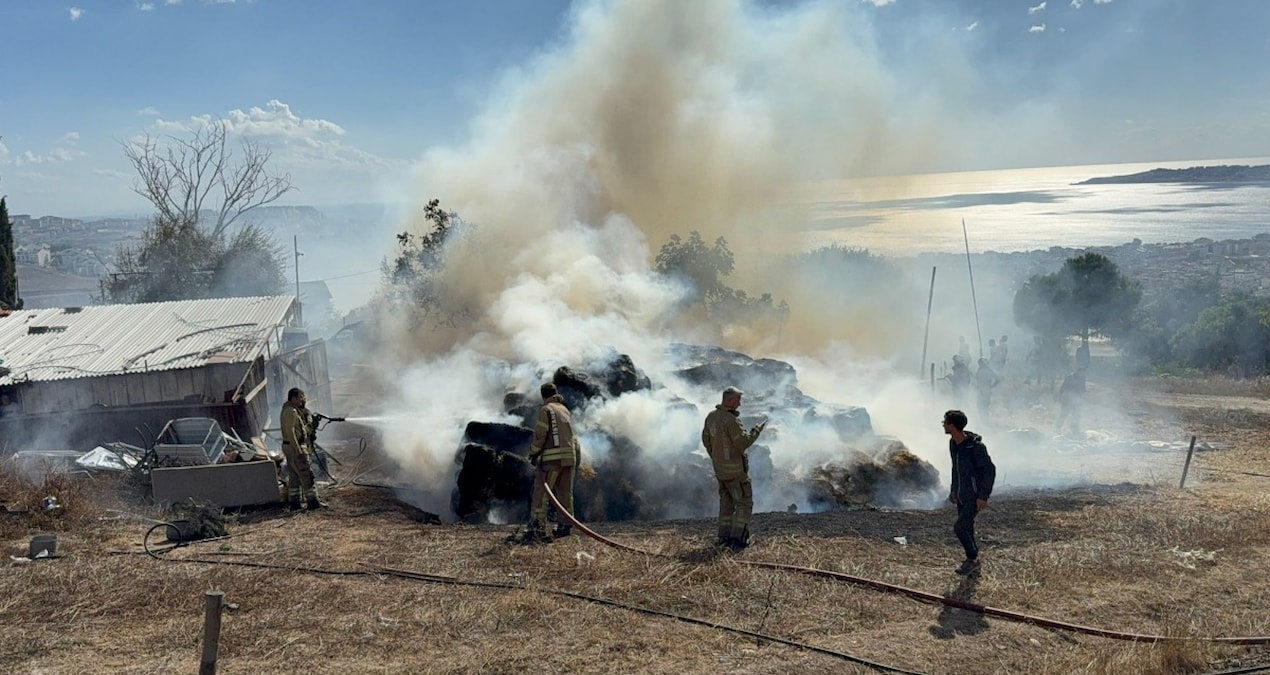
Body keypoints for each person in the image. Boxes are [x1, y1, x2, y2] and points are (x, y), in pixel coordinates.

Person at [702, 386, 765, 550]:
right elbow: (743, 443)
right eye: (738, 400)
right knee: (744, 504)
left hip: (721, 471)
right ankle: (738, 540)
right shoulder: (731, 420)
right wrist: (756, 431)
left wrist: (718, 459)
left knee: (726, 504)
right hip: (736, 473)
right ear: (729, 401)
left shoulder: (711, 417)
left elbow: (706, 441)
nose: (740, 403)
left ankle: (723, 537)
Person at [525, 382, 581, 543]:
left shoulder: (546, 410)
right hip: (569, 459)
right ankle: (565, 525)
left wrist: (533, 452)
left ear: (543, 395)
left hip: (552, 460)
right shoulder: (564, 410)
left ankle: (537, 528)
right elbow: (572, 436)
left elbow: (540, 435)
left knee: (541, 494)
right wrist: (576, 459)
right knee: (565, 494)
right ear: (556, 393)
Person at [943, 409, 995, 575]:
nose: (943, 425)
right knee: (968, 527)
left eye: (945, 422)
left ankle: (972, 558)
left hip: (974, 496)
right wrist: (954, 489)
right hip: (962, 495)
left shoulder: (975, 447)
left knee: (960, 527)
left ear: (952, 426)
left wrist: (983, 496)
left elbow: (989, 471)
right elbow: (955, 468)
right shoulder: (953, 444)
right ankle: (973, 562)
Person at [280, 387, 324, 510]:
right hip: (294, 447)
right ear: (293, 398)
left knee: (294, 476)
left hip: (288, 446)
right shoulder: (291, 411)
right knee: (305, 474)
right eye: (300, 398)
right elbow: (291, 431)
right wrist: (298, 449)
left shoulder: (288, 410)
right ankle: (313, 502)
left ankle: (295, 503)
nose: (302, 400)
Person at [1055, 366, 1087, 435]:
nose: (1082, 375)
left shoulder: (1082, 379)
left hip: (1077, 400)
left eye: (1083, 373)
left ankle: (1074, 429)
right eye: (1081, 373)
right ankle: (1058, 428)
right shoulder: (1069, 378)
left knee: (1076, 415)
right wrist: (1062, 397)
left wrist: (1083, 398)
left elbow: (1083, 389)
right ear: (1077, 372)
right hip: (1067, 399)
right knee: (1063, 414)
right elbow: (1063, 388)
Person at [974, 358, 1000, 422]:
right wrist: (991, 386)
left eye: (981, 363)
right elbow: (997, 379)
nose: (980, 365)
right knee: (982, 406)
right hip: (984, 390)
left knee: (983, 406)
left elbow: (997, 379)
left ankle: (984, 421)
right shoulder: (987, 370)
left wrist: (992, 386)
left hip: (984, 391)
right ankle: (984, 420)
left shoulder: (986, 371)